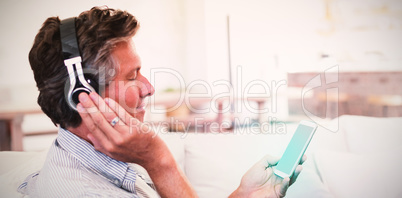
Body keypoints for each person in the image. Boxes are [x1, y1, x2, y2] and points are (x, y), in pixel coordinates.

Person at [18, 6, 305, 197]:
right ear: (82, 97)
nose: (149, 88)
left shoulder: (107, 158)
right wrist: (159, 159)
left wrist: (244, 195)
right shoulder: (84, 192)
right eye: (132, 77)